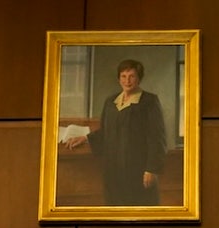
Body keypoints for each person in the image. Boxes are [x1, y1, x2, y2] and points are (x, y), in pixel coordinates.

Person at [63, 59, 167, 206]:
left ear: (139, 78)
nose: (127, 80)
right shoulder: (111, 102)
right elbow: (106, 132)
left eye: (132, 76)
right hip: (114, 169)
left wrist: (152, 169)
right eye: (123, 76)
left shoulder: (149, 102)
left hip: (138, 170)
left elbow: (157, 138)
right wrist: (85, 138)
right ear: (118, 78)